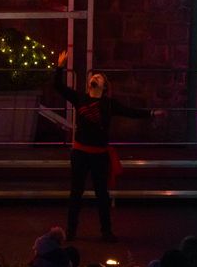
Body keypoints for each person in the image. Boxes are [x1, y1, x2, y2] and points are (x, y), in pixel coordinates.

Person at [54, 50, 164, 242]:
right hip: (80, 153)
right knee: (76, 192)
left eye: (99, 77)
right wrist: (60, 67)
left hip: (99, 155)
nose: (94, 78)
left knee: (102, 194)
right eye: (93, 77)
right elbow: (58, 87)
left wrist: (151, 113)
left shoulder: (109, 104)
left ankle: (106, 231)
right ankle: (71, 231)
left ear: (104, 86)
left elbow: (130, 112)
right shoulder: (80, 98)